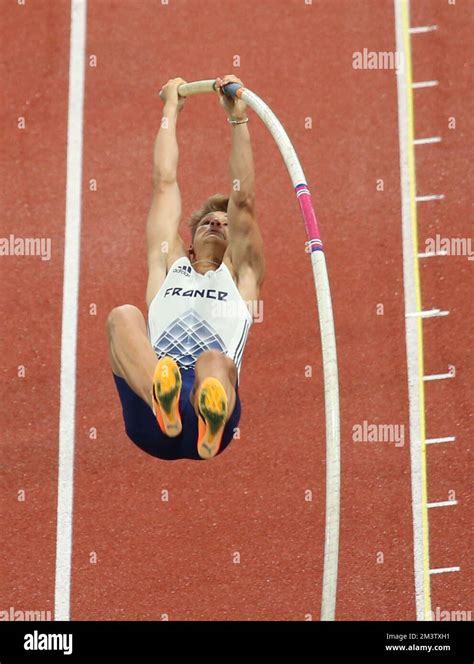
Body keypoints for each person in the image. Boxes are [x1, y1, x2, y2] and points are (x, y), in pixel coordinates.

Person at [107, 74, 265, 461]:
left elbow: (243, 201)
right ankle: (161, 395)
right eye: (209, 220)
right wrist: (170, 110)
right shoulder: (168, 264)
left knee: (214, 360)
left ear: (235, 245)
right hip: (151, 417)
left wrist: (238, 119)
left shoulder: (241, 277)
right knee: (122, 316)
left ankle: (206, 410)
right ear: (189, 240)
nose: (218, 223)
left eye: (225, 224)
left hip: (210, 415)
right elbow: (164, 183)